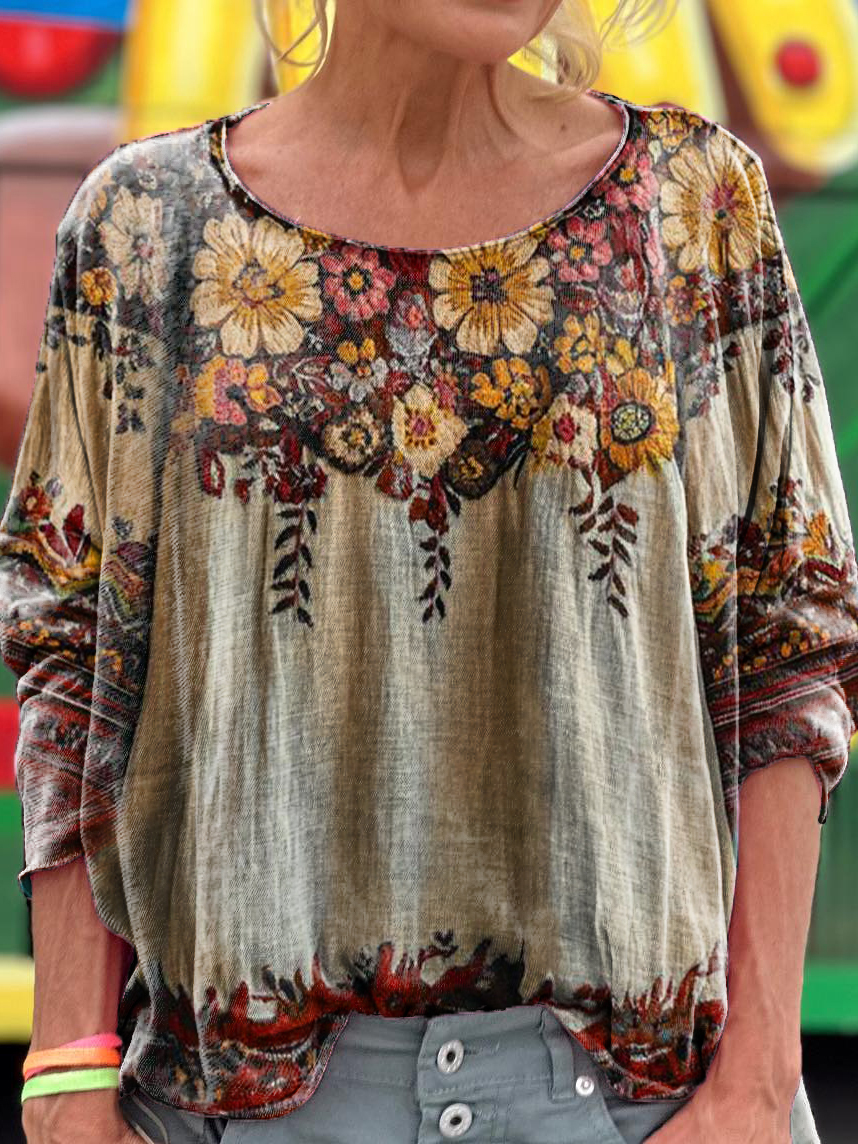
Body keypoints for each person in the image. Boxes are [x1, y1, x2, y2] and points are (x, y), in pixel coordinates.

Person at [4, 1, 856, 1142]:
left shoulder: (694, 206)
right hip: (239, 1108)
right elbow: (74, 651)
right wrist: (65, 1072)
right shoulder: (144, 224)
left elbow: (791, 631)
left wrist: (757, 1080)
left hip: (641, 1109)